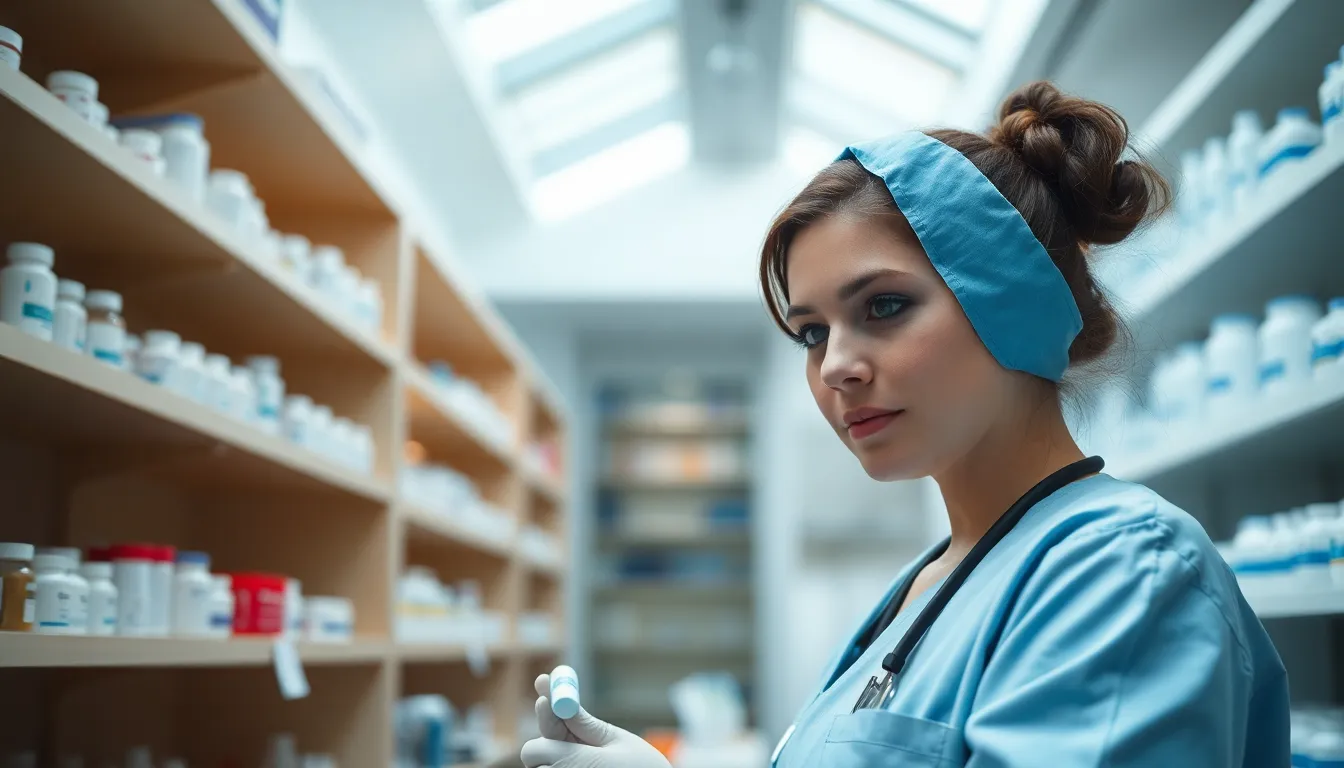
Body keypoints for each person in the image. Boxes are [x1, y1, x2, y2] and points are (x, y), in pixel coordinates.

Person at [520, 81, 1291, 767]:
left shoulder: (1123, 574)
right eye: (812, 332)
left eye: (883, 307)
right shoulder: (929, 580)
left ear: (1008, 305)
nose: (834, 368)